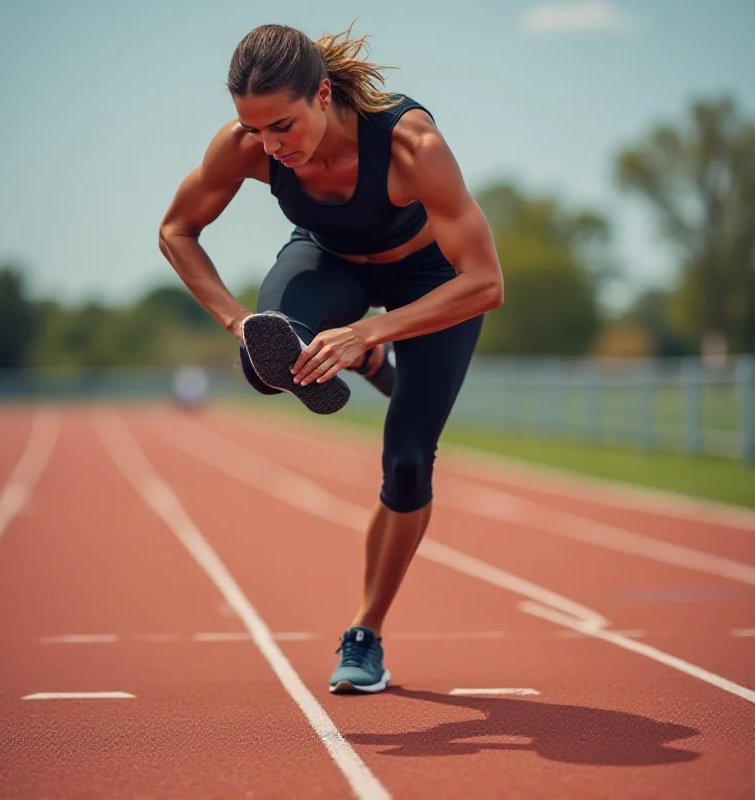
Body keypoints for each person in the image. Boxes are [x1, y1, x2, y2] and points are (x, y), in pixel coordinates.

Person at [158, 23, 504, 694]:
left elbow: (486, 283)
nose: (271, 147)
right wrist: (233, 321)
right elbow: (176, 230)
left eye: (282, 127)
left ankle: (365, 633)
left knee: (407, 464)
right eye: (255, 131)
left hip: (431, 281)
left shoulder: (412, 146)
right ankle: (295, 358)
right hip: (329, 264)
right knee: (269, 352)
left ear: (322, 94)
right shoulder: (245, 147)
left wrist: (368, 337)